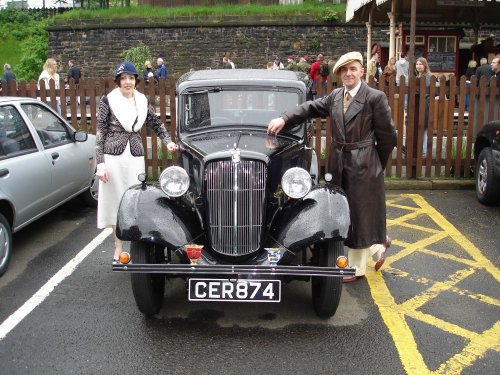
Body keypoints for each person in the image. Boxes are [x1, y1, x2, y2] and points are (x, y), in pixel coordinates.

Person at [267, 51, 396, 283]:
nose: (348, 73)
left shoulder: (374, 98)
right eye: (344, 70)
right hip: (338, 162)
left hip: (364, 163)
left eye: (353, 69)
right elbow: (309, 108)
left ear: (361, 71)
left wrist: (376, 163)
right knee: (342, 210)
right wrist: (285, 118)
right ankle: (379, 245)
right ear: (339, 74)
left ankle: (356, 269)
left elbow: (388, 137)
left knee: (358, 212)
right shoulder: (336, 96)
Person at [95, 61, 178, 262]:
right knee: (116, 202)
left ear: (136, 80)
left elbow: (156, 123)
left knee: (134, 202)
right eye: (123, 78)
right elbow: (100, 132)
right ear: (118, 81)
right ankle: (118, 248)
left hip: (135, 155)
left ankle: (137, 248)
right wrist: (100, 164)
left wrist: (167, 142)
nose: (127, 82)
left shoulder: (142, 100)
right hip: (113, 157)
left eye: (131, 78)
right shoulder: (109, 100)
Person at [415, 57, 432, 157]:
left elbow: (427, 92)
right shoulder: (418, 76)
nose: (418, 66)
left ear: (425, 65)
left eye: (420, 64)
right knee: (419, 128)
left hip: (425, 105)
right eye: (417, 64)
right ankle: (420, 149)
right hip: (418, 105)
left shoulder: (427, 76)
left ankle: (424, 151)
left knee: (423, 128)